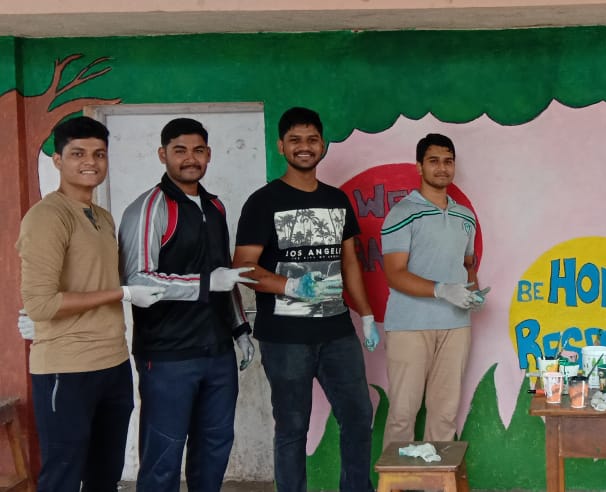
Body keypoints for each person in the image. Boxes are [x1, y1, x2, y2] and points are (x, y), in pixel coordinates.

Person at [233, 107, 378, 492]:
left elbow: (350, 262)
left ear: (322, 145)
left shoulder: (337, 200)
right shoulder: (263, 201)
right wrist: (291, 286)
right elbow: (242, 267)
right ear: (281, 146)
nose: (305, 146)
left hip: (337, 333)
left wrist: (366, 315)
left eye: (312, 139)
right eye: (295, 139)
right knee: (292, 427)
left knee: (358, 417)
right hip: (285, 338)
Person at [16, 116, 165, 491]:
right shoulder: (47, 217)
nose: (90, 162)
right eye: (78, 153)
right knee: (63, 476)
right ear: (57, 160)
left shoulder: (101, 217)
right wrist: (123, 294)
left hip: (112, 363)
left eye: (99, 154)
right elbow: (41, 304)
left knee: (104, 475)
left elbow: (91, 281)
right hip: (66, 369)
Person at [119, 117, 257, 491]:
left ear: (208, 154)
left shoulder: (215, 206)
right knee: (162, 459)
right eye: (179, 150)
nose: (190, 158)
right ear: (162, 154)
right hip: (168, 357)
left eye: (198, 150)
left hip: (218, 352)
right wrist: (206, 283)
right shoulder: (149, 208)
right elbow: (138, 279)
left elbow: (225, 274)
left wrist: (240, 328)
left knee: (214, 450)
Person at [380, 133, 487, 446]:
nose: (442, 168)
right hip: (409, 325)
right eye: (434, 161)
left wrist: (473, 292)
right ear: (419, 166)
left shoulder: (465, 216)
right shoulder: (402, 213)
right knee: (403, 413)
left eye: (448, 161)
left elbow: (467, 264)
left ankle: (436, 474)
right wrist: (442, 290)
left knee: (444, 414)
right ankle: (397, 475)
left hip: (456, 325)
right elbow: (394, 274)